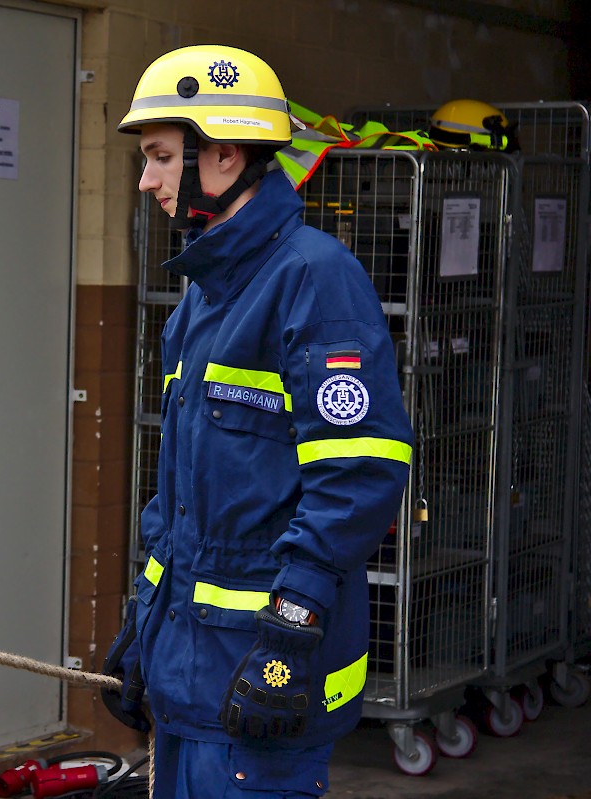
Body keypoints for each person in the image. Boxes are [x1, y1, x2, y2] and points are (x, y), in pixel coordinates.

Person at [102, 46, 413, 796]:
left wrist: (291, 631)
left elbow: (361, 474)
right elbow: (178, 499)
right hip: (191, 686)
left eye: (160, 157)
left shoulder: (315, 279)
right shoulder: (206, 297)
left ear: (225, 154)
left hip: (262, 681)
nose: (147, 180)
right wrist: (144, 626)